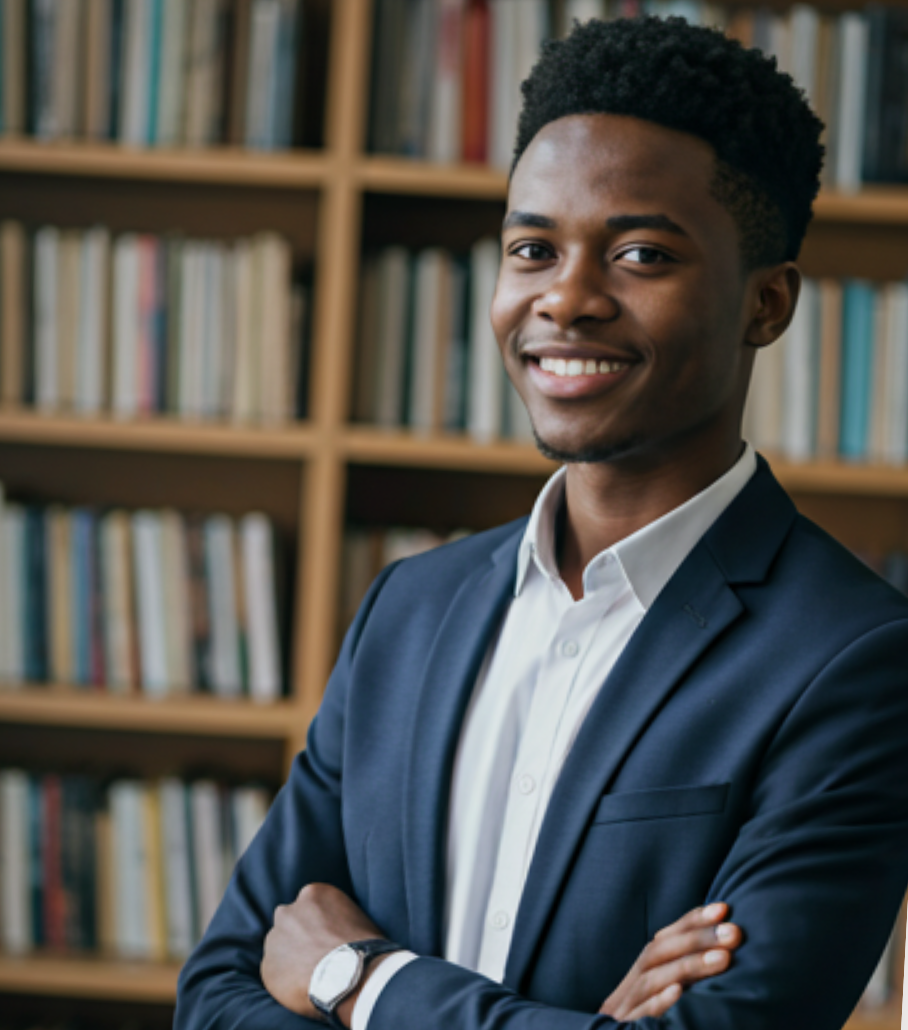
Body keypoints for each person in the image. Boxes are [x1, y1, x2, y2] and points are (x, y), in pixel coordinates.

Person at [175, 16, 908, 1030]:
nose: (564, 298)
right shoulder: (409, 607)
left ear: (765, 304)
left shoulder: (853, 658)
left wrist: (359, 981)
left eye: (640, 253)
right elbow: (214, 995)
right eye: (531, 248)